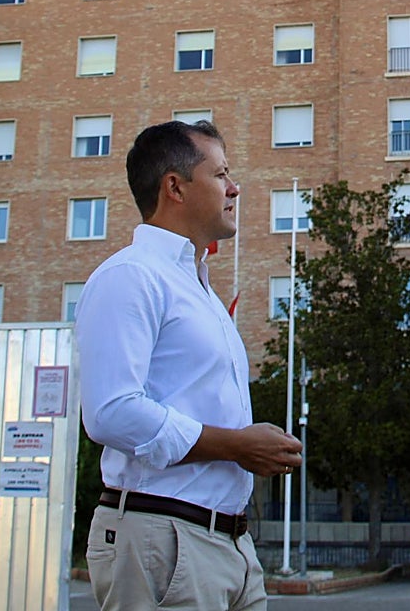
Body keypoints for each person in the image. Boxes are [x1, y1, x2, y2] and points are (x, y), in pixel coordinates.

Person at [77, 120, 302, 611]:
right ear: (174, 187)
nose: (235, 188)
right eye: (221, 174)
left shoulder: (195, 287)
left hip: (227, 543)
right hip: (162, 538)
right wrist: (237, 446)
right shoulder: (129, 278)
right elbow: (110, 412)